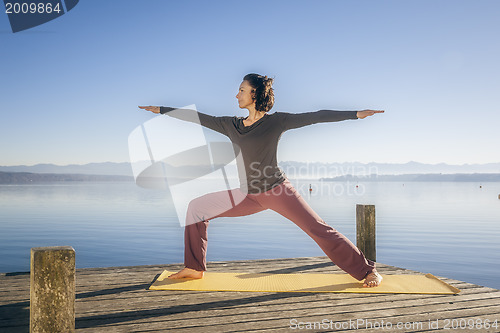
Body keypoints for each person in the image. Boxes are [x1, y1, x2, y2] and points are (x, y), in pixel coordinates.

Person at [139, 73, 384, 287]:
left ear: (254, 93)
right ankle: (194, 268)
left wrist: (355, 114)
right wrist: (163, 110)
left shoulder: (276, 121)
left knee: (318, 229)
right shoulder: (230, 125)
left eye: (242, 90)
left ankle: (367, 271)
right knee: (196, 208)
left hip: (278, 191)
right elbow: (197, 117)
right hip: (248, 195)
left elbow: (316, 116)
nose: (237, 95)